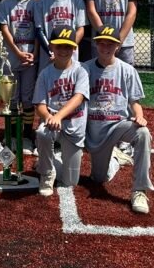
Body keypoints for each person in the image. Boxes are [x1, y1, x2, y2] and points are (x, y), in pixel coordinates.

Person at [84, 26, 154, 214]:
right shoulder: (84, 69)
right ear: (96, 44)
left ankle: (139, 190)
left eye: (110, 44)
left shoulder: (127, 70)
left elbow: (135, 102)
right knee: (99, 179)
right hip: (94, 131)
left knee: (143, 133)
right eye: (102, 43)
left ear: (118, 46)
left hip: (117, 126)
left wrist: (139, 116)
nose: (105, 47)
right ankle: (115, 157)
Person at [33, 26, 89, 197]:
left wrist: (58, 115)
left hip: (74, 126)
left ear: (74, 48)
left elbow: (78, 97)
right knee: (42, 132)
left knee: (70, 181)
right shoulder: (45, 74)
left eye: (68, 46)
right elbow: (40, 105)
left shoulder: (81, 70)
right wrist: (48, 117)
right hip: (53, 123)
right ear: (51, 46)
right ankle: (46, 173)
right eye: (59, 46)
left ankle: (46, 162)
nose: (63, 51)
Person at [0, 0, 37, 154]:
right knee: (12, 98)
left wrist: (34, 53)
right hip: (12, 56)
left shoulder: (35, 3)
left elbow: (39, 30)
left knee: (27, 98)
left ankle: (27, 135)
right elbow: (5, 30)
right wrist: (18, 52)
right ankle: (12, 134)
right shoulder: (6, 3)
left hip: (30, 56)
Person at [31, 0, 86, 74]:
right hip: (49, 56)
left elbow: (80, 29)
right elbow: (39, 31)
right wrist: (52, 52)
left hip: (70, 55)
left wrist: (68, 48)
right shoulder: (40, 2)